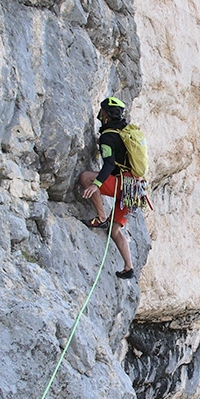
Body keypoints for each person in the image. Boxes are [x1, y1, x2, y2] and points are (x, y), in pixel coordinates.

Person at [77, 96, 136, 279]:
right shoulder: (126, 132)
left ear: (106, 114)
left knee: (85, 177)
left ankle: (101, 216)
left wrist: (96, 185)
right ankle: (128, 267)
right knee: (114, 229)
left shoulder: (108, 137)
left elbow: (109, 164)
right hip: (135, 190)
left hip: (122, 185)